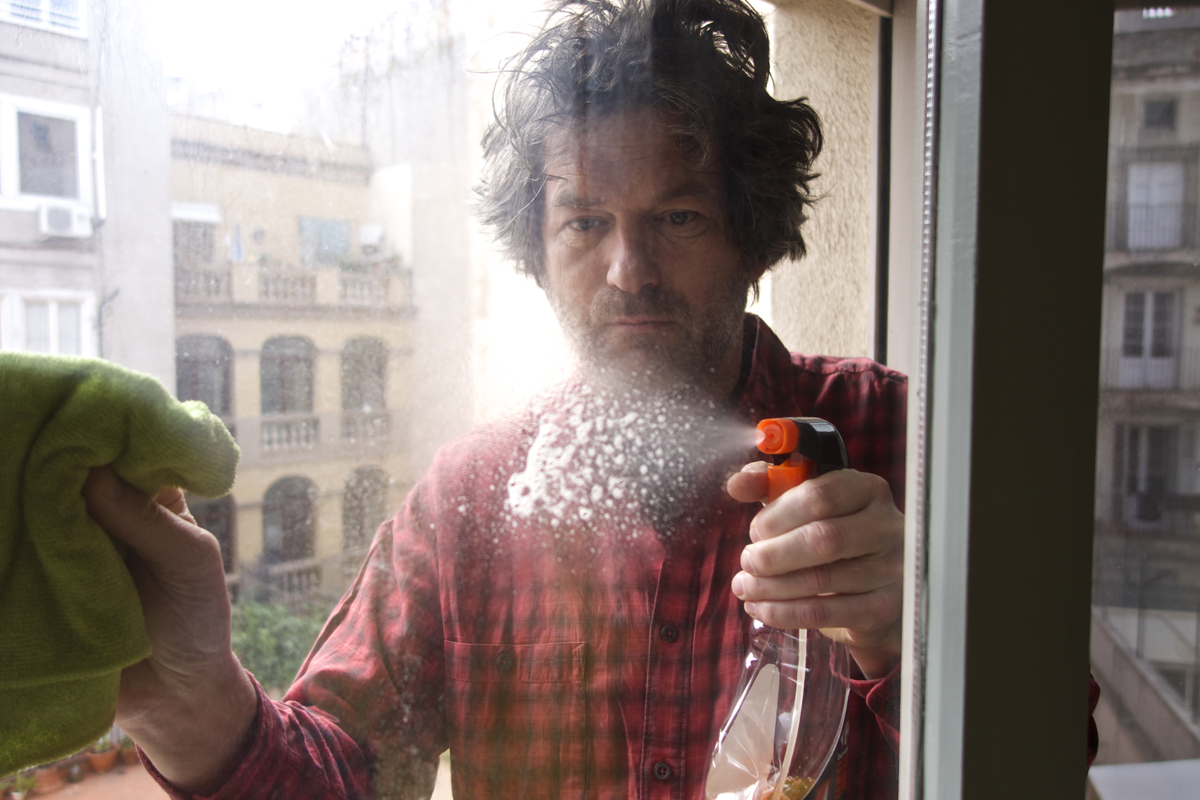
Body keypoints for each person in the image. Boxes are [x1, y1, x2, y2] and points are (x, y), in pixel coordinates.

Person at [79, 1, 1091, 798]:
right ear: (537, 246)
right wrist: (193, 705)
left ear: (754, 230)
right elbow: (343, 775)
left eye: (679, 215)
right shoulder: (467, 498)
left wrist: (919, 636)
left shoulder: (908, 439)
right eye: (584, 223)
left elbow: (1058, 754)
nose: (628, 271)